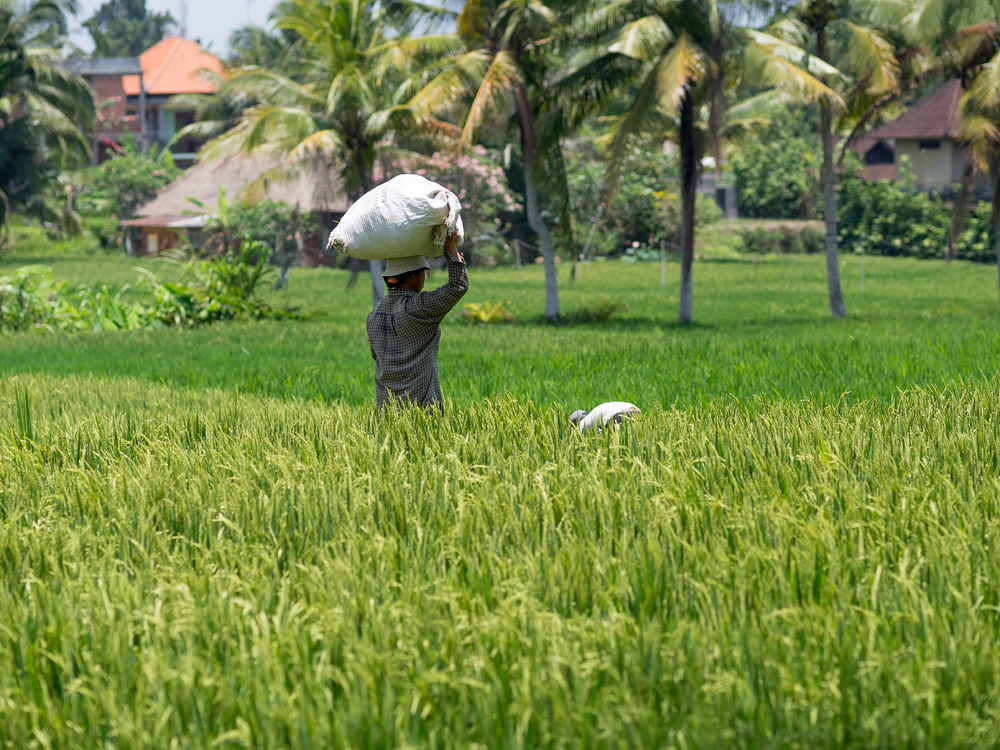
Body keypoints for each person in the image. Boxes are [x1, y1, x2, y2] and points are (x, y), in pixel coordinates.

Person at [366, 233, 468, 409]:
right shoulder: (418, 308)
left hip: (386, 411)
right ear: (413, 275)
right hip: (423, 410)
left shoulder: (373, 315)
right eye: (423, 273)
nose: (424, 278)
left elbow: (376, 355)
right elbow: (457, 287)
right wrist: (450, 246)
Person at [569, 402, 640, 433]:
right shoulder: (595, 413)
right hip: (636, 412)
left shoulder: (583, 424)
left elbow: (575, 438)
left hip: (618, 417)